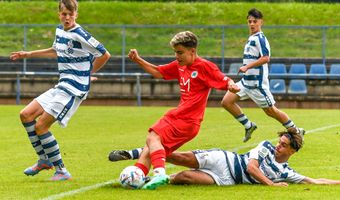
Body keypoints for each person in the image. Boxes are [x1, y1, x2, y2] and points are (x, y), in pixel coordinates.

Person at [10, 0, 110, 181]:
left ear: (76, 15)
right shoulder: (60, 31)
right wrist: (29, 54)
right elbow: (56, 50)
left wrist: (87, 73)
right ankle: (44, 160)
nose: (67, 17)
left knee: (41, 126)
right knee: (26, 115)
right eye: (64, 14)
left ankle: (62, 171)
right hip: (61, 85)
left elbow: (105, 54)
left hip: (73, 89)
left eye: (71, 14)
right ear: (59, 14)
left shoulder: (81, 34)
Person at [126, 31, 240, 189]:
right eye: (175, 52)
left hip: (186, 119)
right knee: (151, 147)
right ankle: (137, 177)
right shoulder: (180, 66)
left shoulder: (204, 66)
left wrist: (231, 85)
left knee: (153, 137)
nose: (176, 56)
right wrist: (138, 60)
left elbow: (223, 78)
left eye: (180, 52)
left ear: (192, 51)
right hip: (182, 118)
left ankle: (159, 174)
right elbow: (159, 72)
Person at [110, 128, 340, 186]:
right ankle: (133, 154)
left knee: (184, 178)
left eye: (283, 146)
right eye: (280, 142)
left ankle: (148, 180)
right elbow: (251, 168)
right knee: (176, 157)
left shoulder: (286, 172)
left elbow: (313, 181)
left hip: (226, 179)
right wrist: (271, 185)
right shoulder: (265, 146)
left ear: (292, 151)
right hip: (224, 160)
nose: (278, 147)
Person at [221, 8, 304, 143]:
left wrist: (247, 66)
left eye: (255, 21)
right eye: (250, 21)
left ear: (261, 22)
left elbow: (266, 58)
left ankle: (296, 131)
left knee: (271, 111)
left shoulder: (261, 39)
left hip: (257, 85)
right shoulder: (251, 38)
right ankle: (249, 126)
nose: (252, 24)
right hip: (245, 82)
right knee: (226, 102)